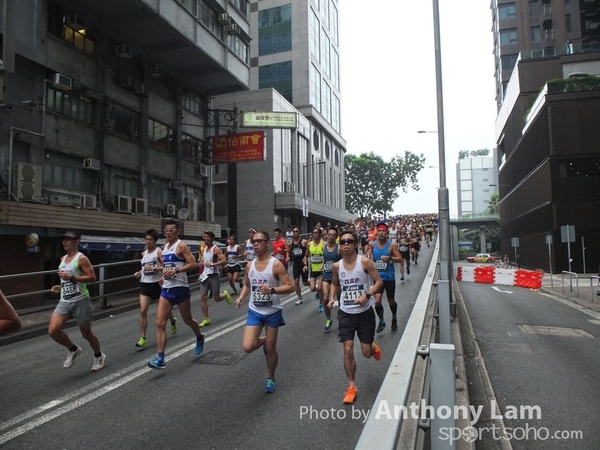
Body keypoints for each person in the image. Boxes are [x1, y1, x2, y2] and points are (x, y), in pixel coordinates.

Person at [234, 231, 295, 393]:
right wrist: (241, 297)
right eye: (254, 241)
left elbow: (291, 287)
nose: (255, 244)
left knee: (270, 349)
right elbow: (247, 285)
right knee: (248, 346)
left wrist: (272, 289)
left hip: (272, 312)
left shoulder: (275, 265)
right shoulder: (249, 265)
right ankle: (266, 340)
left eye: (259, 241)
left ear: (267, 243)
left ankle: (270, 377)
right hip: (255, 310)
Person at [328, 230, 383, 405]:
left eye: (349, 241)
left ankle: (371, 346)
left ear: (355, 244)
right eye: (343, 241)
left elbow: (379, 282)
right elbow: (334, 283)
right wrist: (331, 298)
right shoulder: (336, 266)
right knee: (348, 349)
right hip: (346, 313)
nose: (346, 244)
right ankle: (351, 387)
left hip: (364, 312)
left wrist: (367, 296)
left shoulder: (365, 262)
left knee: (366, 353)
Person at [147, 220, 205, 369]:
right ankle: (161, 358)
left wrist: (177, 271)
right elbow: (166, 266)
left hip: (181, 288)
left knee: (187, 320)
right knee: (160, 323)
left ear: (177, 231)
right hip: (167, 289)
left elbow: (193, 264)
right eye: (166, 230)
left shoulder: (181, 246)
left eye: (171, 230)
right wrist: (163, 275)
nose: (167, 233)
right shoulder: (164, 248)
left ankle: (199, 337)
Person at [49, 231, 105, 372]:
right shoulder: (62, 259)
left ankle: (99, 356)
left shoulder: (82, 259)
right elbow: (65, 280)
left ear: (77, 242)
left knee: (86, 334)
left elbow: (92, 278)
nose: (65, 242)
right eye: (64, 239)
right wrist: (60, 287)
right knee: (53, 330)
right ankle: (73, 349)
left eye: (69, 239)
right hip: (65, 300)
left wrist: (72, 278)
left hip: (81, 300)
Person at [133, 229, 177, 347]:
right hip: (145, 284)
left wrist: (154, 269)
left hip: (157, 284)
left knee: (165, 310)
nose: (148, 241)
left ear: (155, 241)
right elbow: (144, 267)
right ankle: (143, 337)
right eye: (146, 239)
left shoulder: (159, 252)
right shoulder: (143, 253)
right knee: (143, 311)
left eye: (151, 239)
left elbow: (166, 266)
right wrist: (139, 272)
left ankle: (173, 320)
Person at [370, 222, 402, 333]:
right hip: (378, 279)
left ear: (386, 233)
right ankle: (382, 321)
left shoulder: (391, 245)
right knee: (377, 301)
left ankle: (394, 317)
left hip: (389, 278)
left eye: (383, 231)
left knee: (391, 300)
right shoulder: (374, 245)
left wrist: (390, 258)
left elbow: (400, 259)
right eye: (379, 231)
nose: (380, 233)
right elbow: (372, 260)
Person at [197, 231, 232, 327]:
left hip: (213, 274)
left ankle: (225, 295)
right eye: (204, 239)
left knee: (216, 298)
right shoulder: (204, 249)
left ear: (212, 240)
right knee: (203, 296)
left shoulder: (215, 249)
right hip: (205, 275)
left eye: (208, 239)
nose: (206, 241)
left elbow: (224, 261)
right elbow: (203, 260)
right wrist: (200, 263)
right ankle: (206, 319)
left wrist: (212, 264)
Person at [321, 227, 341, 332]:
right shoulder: (323, 247)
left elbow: (343, 261)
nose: (330, 236)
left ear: (336, 236)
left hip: (337, 278)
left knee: (340, 299)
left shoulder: (339, 248)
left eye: (333, 235)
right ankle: (328, 319)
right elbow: (324, 259)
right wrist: (322, 265)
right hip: (326, 275)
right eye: (329, 234)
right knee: (325, 299)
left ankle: (342, 318)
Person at [304, 227, 324, 311]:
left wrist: (322, 265)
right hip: (313, 268)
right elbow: (306, 256)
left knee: (320, 287)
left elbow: (326, 256)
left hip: (322, 269)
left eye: (316, 233)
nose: (314, 234)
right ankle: (319, 293)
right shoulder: (309, 244)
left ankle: (321, 304)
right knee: (312, 288)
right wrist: (305, 265)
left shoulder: (323, 244)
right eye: (313, 233)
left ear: (319, 234)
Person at [289, 226, 309, 304]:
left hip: (303, 264)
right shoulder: (291, 243)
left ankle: (312, 284)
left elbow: (307, 252)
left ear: (299, 232)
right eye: (293, 231)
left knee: (305, 283)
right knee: (296, 281)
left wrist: (305, 258)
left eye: (296, 231)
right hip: (296, 265)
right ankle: (300, 298)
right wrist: (289, 258)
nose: (295, 233)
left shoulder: (304, 242)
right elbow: (290, 252)